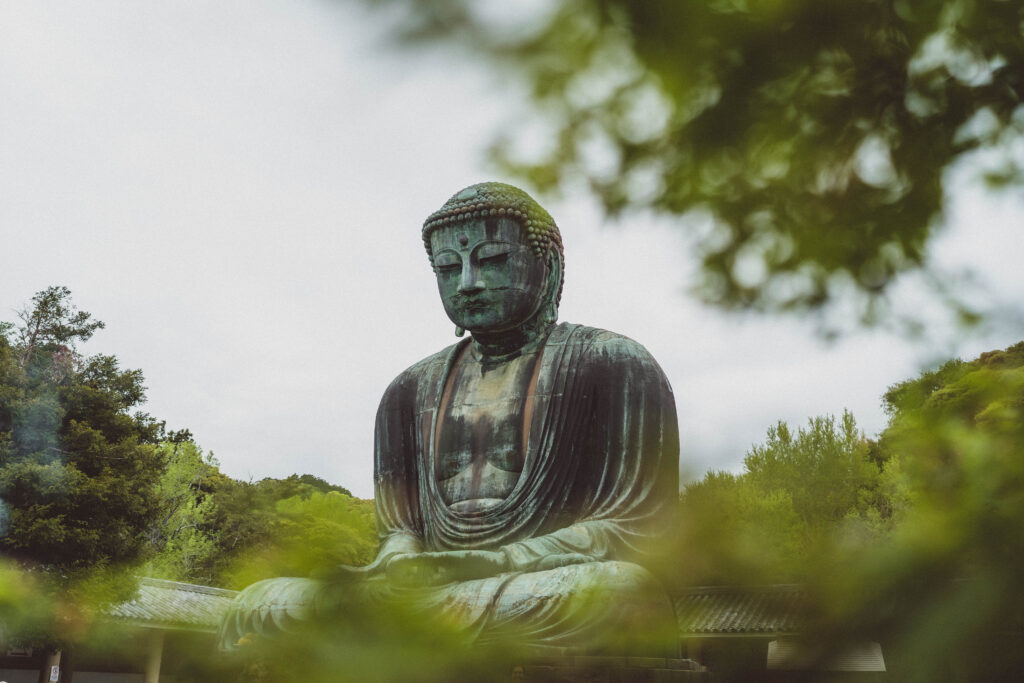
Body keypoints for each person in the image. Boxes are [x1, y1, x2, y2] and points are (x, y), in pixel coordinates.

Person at [220, 182, 680, 656]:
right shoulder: (408, 390)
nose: (467, 283)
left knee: (615, 591)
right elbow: (401, 530)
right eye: (447, 268)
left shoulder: (613, 364)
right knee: (257, 604)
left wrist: (500, 560)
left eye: (493, 259)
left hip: (539, 582)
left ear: (550, 266)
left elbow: (638, 528)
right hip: (427, 590)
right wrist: (400, 559)